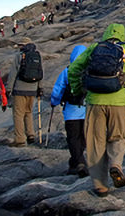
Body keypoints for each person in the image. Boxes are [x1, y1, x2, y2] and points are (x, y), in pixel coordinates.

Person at [68, 23, 125, 198]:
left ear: (106, 34)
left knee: (95, 143)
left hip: (95, 102)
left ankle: (100, 186)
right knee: (117, 137)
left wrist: (77, 90)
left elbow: (73, 69)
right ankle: (116, 164)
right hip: (120, 102)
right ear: (122, 35)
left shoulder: (95, 48)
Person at [50, 45, 89, 177]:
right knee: (83, 139)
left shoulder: (67, 71)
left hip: (71, 112)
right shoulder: (89, 70)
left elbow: (58, 89)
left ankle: (78, 163)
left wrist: (54, 102)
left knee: (73, 138)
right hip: (87, 110)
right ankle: (76, 162)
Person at [6, 39, 44, 147]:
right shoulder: (37, 56)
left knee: (18, 114)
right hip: (32, 90)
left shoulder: (20, 56)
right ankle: (30, 134)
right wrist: (40, 88)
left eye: (20, 45)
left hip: (19, 89)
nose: (19, 47)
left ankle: (20, 139)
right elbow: (40, 72)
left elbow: (13, 73)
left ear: (23, 45)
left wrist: (9, 88)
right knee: (28, 112)